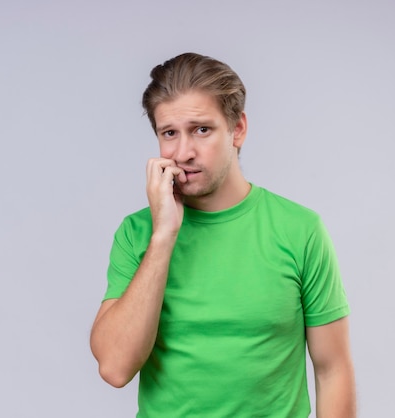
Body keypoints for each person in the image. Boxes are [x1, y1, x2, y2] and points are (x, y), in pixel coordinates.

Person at [90, 52, 356, 418]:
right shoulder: (138, 234)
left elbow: (333, 369)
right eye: (169, 133)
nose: (183, 152)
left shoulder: (300, 230)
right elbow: (115, 368)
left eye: (201, 129)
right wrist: (163, 235)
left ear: (238, 129)